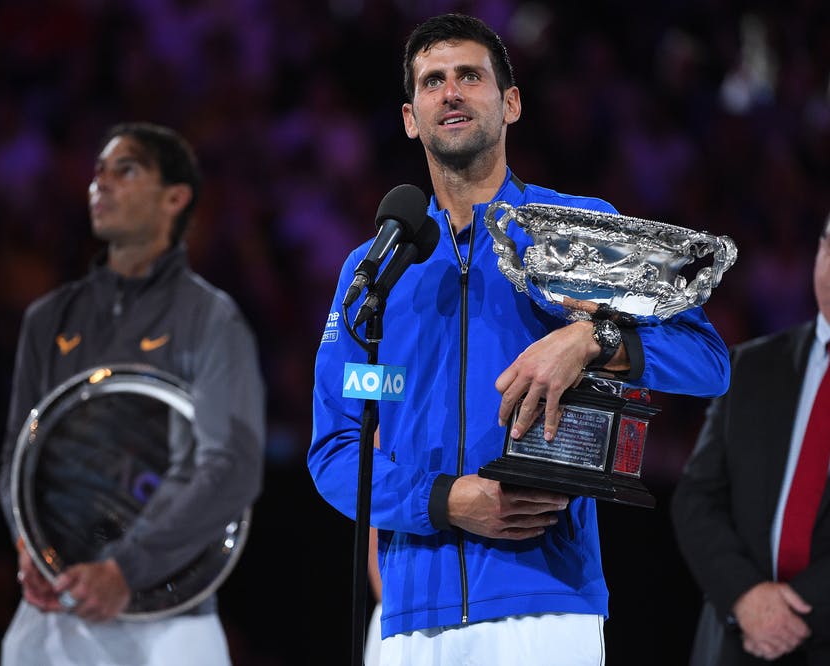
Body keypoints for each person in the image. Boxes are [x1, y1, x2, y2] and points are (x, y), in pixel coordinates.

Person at [308, 13, 731, 665]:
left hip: (548, 602)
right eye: (432, 81)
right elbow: (336, 449)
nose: (450, 92)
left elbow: (707, 362)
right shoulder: (376, 269)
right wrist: (447, 501)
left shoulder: (578, 230)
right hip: (409, 617)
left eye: (470, 77)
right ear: (409, 117)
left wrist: (594, 339)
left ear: (510, 103)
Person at [0, 122, 265, 665]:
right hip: (57, 611)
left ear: (174, 198)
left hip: (170, 622)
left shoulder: (212, 319)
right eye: (98, 171)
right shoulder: (47, 319)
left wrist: (125, 569)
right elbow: (18, 459)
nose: (102, 182)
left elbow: (229, 468)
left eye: (126, 169)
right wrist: (30, 547)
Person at [671, 212, 830, 664]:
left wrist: (796, 608)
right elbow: (696, 499)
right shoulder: (750, 366)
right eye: (829, 246)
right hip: (735, 638)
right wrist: (745, 596)